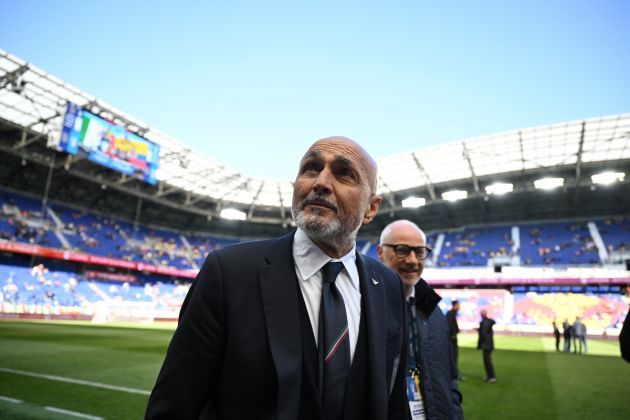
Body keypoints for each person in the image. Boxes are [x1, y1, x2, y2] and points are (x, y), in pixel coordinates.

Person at [145, 137, 409, 420]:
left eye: (344, 173)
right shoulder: (228, 273)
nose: (320, 182)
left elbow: (393, 404)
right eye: (311, 168)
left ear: (371, 208)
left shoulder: (388, 285)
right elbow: (175, 405)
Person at [378, 220, 463, 420]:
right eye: (402, 250)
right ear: (380, 252)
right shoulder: (361, 309)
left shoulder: (435, 313)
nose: (413, 260)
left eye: (420, 252)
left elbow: (449, 377)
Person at [477, 309, 496, 383]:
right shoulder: (488, 321)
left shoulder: (485, 322)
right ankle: (489, 375)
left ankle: (492, 377)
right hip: (488, 344)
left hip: (486, 344)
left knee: (487, 361)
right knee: (486, 361)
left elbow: (484, 332)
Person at [446, 300, 462, 379]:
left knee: (454, 355)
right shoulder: (450, 314)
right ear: (455, 305)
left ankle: (454, 373)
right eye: (458, 305)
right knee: (453, 355)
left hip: (452, 338)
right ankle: (453, 374)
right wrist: (453, 334)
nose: (459, 307)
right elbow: (449, 325)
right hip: (451, 339)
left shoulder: (452, 314)